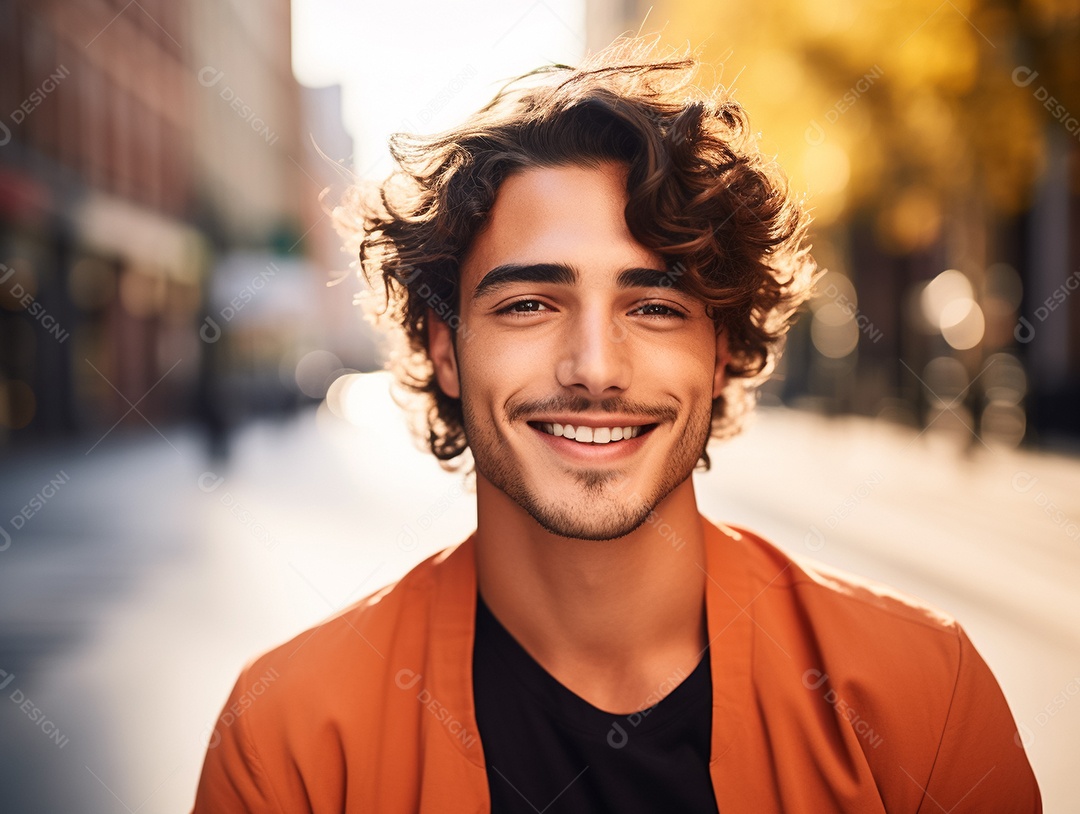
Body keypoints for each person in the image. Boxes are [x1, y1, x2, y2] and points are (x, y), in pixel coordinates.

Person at [191, 39, 1041, 813]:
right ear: (446, 349)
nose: (595, 366)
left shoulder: (922, 699)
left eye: (657, 306)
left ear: (720, 353)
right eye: (529, 304)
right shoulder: (292, 748)